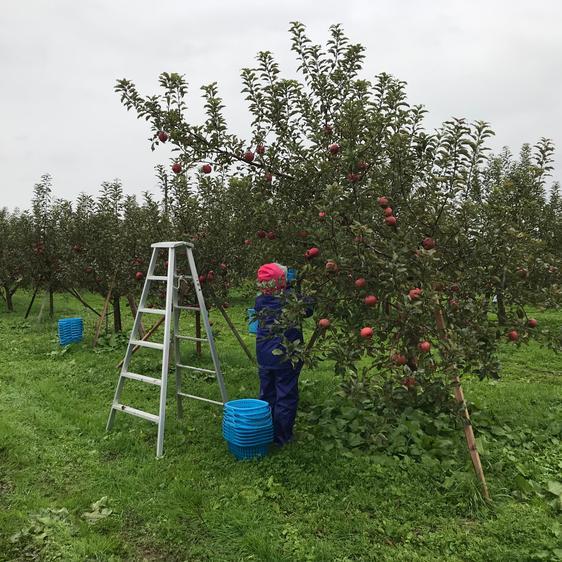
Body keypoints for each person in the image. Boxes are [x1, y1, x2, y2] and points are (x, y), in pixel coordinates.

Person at [254, 262, 312, 446]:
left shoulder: (260, 300)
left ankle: (265, 431)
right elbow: (308, 308)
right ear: (282, 282)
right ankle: (282, 438)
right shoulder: (290, 300)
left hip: (264, 356)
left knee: (267, 394)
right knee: (285, 396)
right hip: (285, 357)